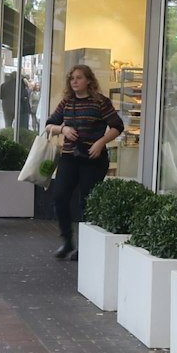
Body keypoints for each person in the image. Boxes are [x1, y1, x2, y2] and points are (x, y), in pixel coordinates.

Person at [43, 63, 124, 260]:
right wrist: (63, 129)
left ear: (89, 80)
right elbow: (49, 125)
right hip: (69, 156)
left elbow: (117, 126)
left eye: (79, 78)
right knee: (59, 196)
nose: (75, 82)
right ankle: (66, 240)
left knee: (87, 201)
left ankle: (85, 246)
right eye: (72, 78)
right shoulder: (67, 102)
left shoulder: (100, 102)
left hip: (93, 158)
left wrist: (101, 143)